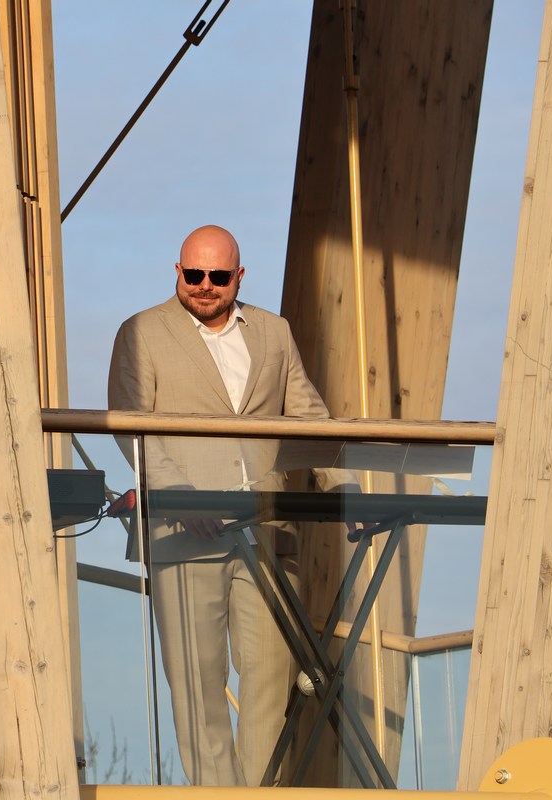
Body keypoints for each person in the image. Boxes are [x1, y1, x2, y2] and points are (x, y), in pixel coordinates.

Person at [107, 224, 329, 786]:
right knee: (197, 685)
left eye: (218, 276)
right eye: (193, 273)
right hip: (186, 533)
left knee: (270, 682)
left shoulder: (275, 332)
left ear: (240, 276)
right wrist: (180, 496)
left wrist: (347, 490)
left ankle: (259, 796)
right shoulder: (141, 331)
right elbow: (131, 427)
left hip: (268, 529)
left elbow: (311, 418)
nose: (204, 285)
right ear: (177, 270)